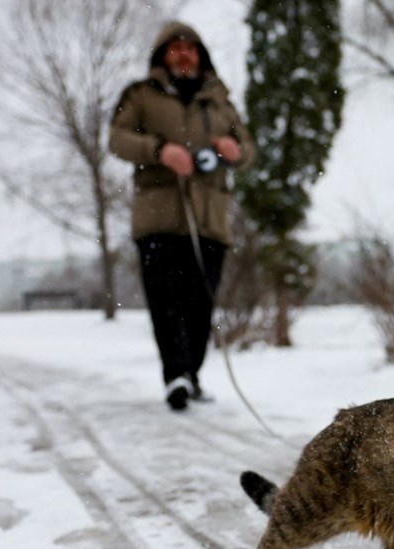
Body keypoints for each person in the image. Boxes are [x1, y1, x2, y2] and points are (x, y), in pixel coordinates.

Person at [109, 21, 255, 411]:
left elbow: (248, 148)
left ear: (201, 56)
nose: (184, 54)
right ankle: (175, 375)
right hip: (158, 217)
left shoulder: (220, 102)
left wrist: (234, 150)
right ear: (162, 55)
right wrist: (159, 151)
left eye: (191, 48)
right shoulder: (141, 95)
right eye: (175, 48)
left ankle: (192, 373)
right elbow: (117, 139)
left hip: (211, 218)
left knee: (200, 303)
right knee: (166, 300)